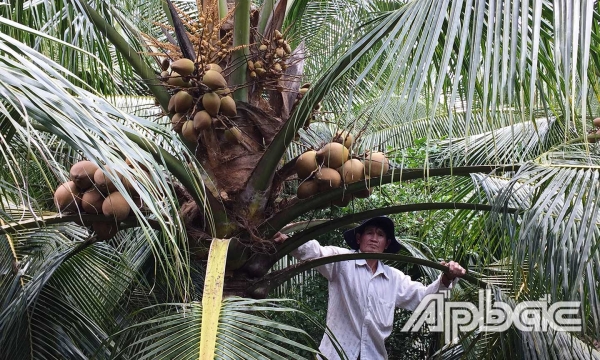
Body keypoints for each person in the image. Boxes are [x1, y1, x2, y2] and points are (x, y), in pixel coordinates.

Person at [274, 216, 466, 360]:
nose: (374, 238)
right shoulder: (341, 262)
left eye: (380, 235)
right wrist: (288, 240)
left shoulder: (394, 279)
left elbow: (425, 300)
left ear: (387, 244)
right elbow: (316, 252)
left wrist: (447, 278)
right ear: (359, 238)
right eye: (369, 233)